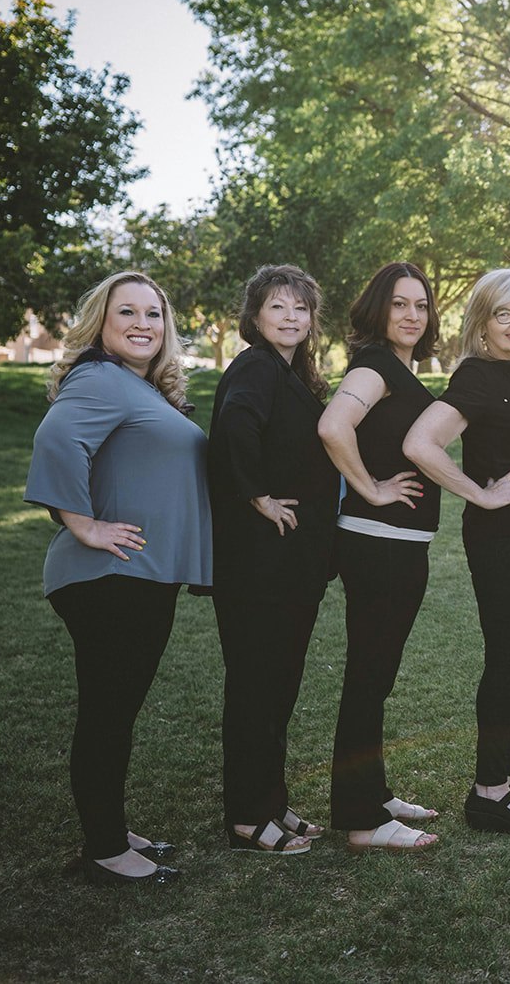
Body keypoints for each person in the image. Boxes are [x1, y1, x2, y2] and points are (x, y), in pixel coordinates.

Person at [25, 271, 212, 884]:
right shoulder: (100, 378)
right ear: (101, 325)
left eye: (153, 314)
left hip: (142, 576)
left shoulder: (140, 391)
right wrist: (85, 525)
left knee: (117, 711)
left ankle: (108, 827)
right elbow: (57, 438)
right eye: (125, 312)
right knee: (107, 712)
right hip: (108, 575)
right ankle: (105, 851)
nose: (141, 324)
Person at [405, 268, 510, 833]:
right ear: (482, 323)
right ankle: (487, 793)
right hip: (507, 543)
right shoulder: (479, 376)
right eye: (505, 313)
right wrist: (480, 493)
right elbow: (420, 442)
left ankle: (499, 778)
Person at [208, 265, 338, 856]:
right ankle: (246, 816)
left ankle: (273, 804)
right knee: (256, 688)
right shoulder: (257, 367)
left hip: (291, 563)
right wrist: (256, 494)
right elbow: (235, 426)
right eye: (278, 307)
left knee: (278, 688)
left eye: (301, 309)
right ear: (255, 316)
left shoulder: (290, 374)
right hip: (259, 565)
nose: (291, 318)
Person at [317, 262, 440, 852]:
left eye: (420, 305)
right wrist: (371, 487)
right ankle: (361, 819)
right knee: (368, 677)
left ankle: (373, 792)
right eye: (400, 304)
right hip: (377, 542)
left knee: (378, 676)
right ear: (378, 310)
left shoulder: (400, 368)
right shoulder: (373, 365)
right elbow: (333, 425)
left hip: (402, 545)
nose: (412, 315)